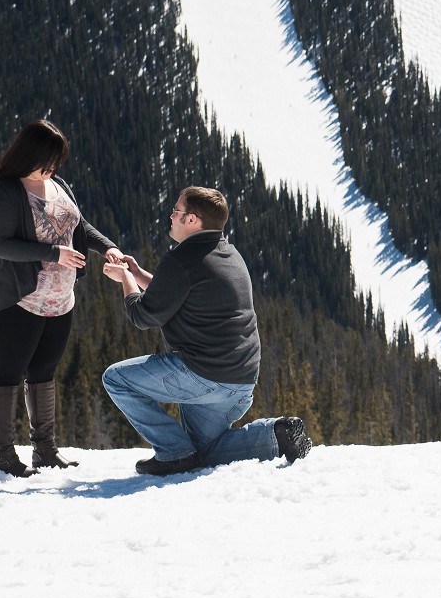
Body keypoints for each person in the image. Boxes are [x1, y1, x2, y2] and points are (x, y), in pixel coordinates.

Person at [100, 186, 311, 475]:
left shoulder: (181, 260)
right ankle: (274, 437)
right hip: (241, 382)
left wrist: (125, 279)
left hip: (203, 376)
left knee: (116, 379)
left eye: (176, 211)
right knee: (203, 453)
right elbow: (179, 292)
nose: (171, 216)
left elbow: (142, 315)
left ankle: (173, 453)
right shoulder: (229, 253)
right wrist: (138, 275)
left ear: (192, 220)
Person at [0, 118, 124, 478]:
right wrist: (55, 253)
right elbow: (0, 245)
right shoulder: (5, 193)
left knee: (44, 371)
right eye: (48, 160)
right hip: (18, 298)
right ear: (28, 154)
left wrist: (109, 248)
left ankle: (44, 450)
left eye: (57, 161)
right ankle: (4, 456)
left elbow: (80, 227)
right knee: (9, 372)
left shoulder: (58, 186)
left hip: (61, 300)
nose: (53, 167)